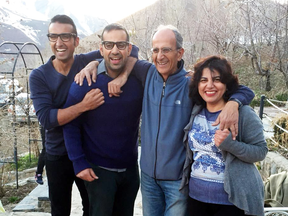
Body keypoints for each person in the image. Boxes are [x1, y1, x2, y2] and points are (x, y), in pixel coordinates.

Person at [76, 24, 255, 216]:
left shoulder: (192, 83)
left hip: (177, 181)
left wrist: (233, 103)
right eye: (156, 50)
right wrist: (93, 64)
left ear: (180, 53)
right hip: (147, 178)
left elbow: (244, 90)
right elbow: (125, 53)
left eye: (166, 50)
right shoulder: (147, 72)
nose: (160, 56)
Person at [29, 14, 106, 216]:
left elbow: (130, 50)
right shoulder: (39, 75)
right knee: (60, 210)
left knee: (92, 208)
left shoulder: (84, 61)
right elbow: (47, 119)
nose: (59, 42)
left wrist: (95, 64)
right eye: (53, 37)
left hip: (87, 152)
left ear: (76, 41)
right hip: (56, 155)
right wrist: (84, 106)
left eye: (65, 36)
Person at [63, 23, 143, 216]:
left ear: (129, 49)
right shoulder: (85, 83)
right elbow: (70, 124)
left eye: (121, 45)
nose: (115, 50)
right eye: (109, 45)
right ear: (101, 49)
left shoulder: (139, 80)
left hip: (130, 170)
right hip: (99, 171)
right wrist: (78, 162)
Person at [180, 55, 267, 216]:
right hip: (196, 199)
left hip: (232, 202)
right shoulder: (195, 110)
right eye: (203, 80)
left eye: (217, 79)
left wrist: (230, 145)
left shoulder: (243, 113)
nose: (210, 85)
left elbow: (260, 151)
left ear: (227, 84)